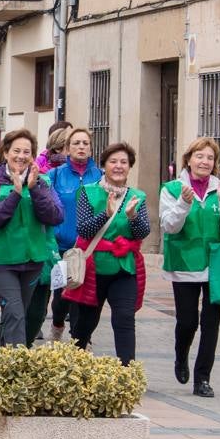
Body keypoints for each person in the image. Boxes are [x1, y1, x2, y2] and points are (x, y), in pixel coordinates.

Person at [161, 137, 220, 398]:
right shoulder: (172, 189)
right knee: (187, 322)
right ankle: (181, 355)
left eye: (210, 158)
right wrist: (184, 202)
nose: (204, 162)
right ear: (189, 159)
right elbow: (170, 226)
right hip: (184, 263)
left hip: (215, 263)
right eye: (199, 156)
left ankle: (202, 378)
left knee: (211, 323)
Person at [0, 128, 63, 349]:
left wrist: (34, 190)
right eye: (16, 150)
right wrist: (15, 194)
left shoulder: (42, 182)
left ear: (33, 156)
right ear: (5, 153)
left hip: (33, 260)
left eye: (27, 152)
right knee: (14, 312)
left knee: (16, 315)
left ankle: (5, 365)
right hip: (1, 261)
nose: (21, 156)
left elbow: (55, 216)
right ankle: (17, 364)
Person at [69, 142, 151, 365]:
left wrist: (133, 216)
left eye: (123, 162)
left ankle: (128, 372)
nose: (118, 166)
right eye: (113, 161)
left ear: (129, 167)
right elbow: (83, 230)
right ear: (104, 165)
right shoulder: (88, 192)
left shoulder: (137, 196)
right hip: (93, 268)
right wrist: (105, 214)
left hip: (124, 268)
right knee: (85, 323)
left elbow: (143, 232)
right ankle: (74, 368)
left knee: (124, 318)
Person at [45, 127, 102, 340]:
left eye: (85, 143)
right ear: (67, 149)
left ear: (90, 148)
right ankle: (58, 323)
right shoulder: (55, 175)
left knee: (83, 298)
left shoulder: (100, 176)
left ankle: (80, 339)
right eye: (76, 143)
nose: (81, 147)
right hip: (62, 246)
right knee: (62, 298)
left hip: (89, 247)